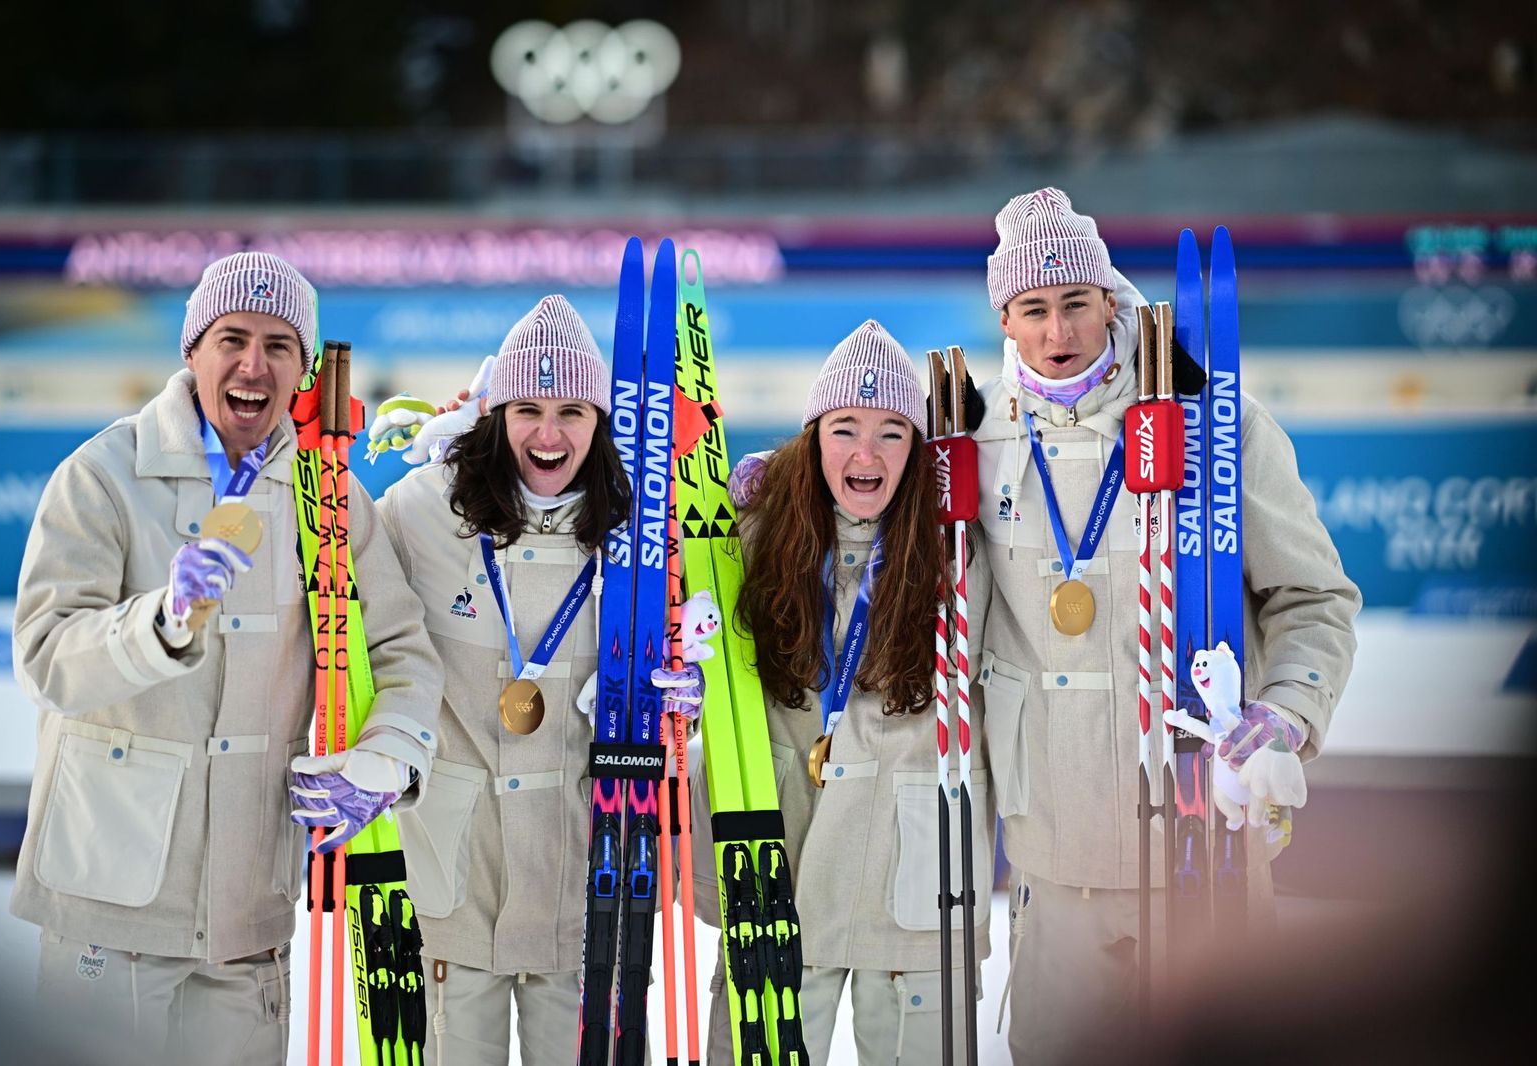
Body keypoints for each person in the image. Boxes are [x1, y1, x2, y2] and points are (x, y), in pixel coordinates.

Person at [10, 251, 444, 1066]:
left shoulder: (332, 497)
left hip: (250, 905)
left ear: (304, 370)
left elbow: (404, 652)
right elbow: (46, 657)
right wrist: (163, 621)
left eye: (280, 346)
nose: (254, 365)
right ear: (192, 351)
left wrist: (388, 757)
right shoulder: (103, 476)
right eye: (232, 339)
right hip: (111, 895)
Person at [969, 188, 1360, 1062]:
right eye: (1034, 309)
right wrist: (769, 483)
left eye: (1076, 302)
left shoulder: (1217, 424)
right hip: (1054, 846)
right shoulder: (976, 434)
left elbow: (1314, 599)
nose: (1059, 330)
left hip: (1198, 840)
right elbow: (850, 471)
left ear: (1111, 300)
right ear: (1006, 315)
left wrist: (1289, 711)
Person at [694, 320, 993, 1063]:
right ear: (810, 438)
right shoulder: (750, 531)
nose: (867, 454)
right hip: (779, 866)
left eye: (893, 432)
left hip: (911, 872)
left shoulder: (963, 545)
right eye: (845, 429)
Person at [373, 295, 635, 1065]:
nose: (548, 435)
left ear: (600, 420)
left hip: (582, 879)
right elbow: (355, 609)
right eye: (527, 409)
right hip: (455, 876)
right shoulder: (423, 510)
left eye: (571, 412)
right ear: (495, 413)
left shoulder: (639, 527)